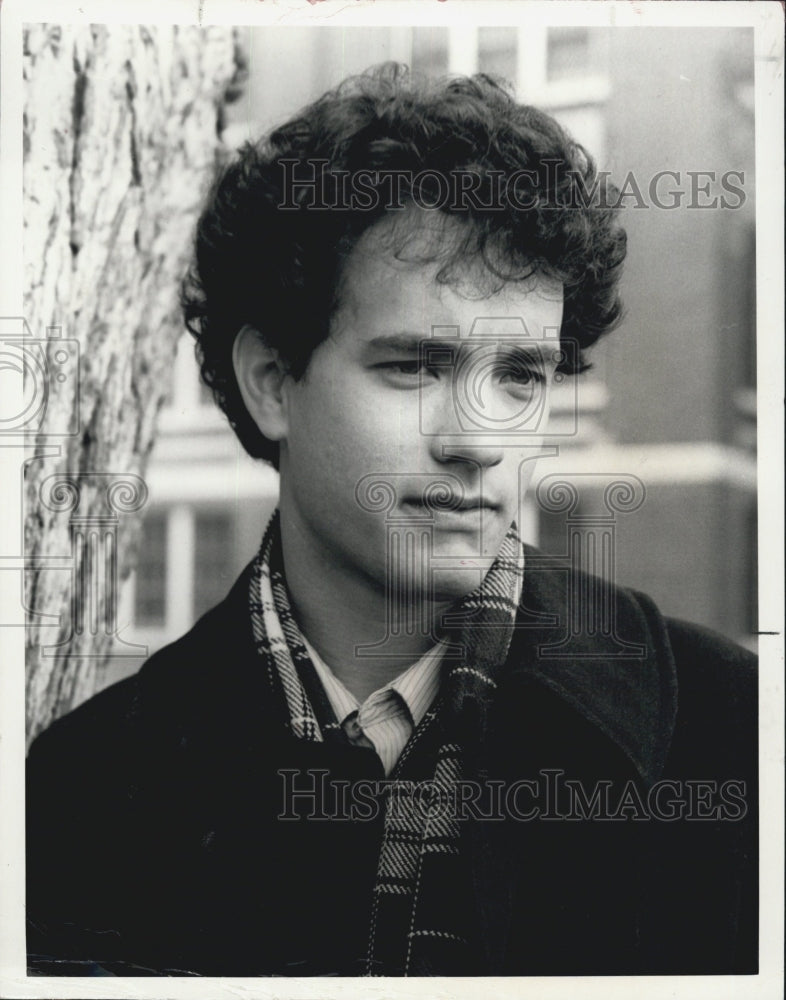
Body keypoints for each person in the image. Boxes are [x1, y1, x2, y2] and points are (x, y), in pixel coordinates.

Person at [26, 64, 757, 977]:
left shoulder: (732, 736)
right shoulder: (83, 793)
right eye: (417, 367)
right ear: (270, 382)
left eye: (522, 375)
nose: (480, 441)